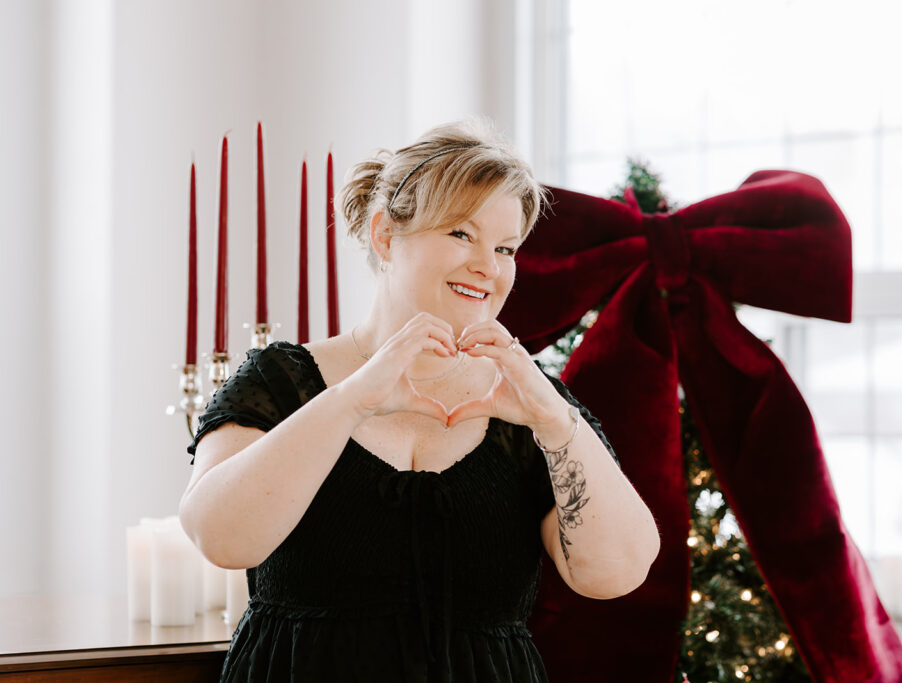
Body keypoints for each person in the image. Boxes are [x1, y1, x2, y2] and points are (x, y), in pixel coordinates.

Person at [178, 116, 661, 682]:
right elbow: (220, 536)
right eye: (462, 234)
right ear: (386, 234)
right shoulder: (281, 380)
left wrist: (557, 423)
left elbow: (616, 573)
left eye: (505, 248)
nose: (489, 267)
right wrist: (354, 399)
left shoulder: (534, 406)